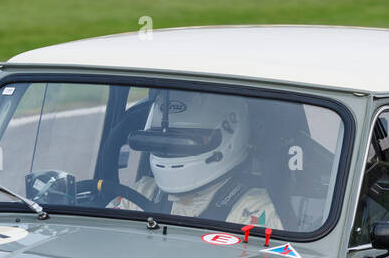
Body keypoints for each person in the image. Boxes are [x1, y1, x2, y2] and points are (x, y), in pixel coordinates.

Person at [107, 91, 283, 229]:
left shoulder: (258, 210)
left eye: (185, 143)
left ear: (231, 139)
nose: (171, 151)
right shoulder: (138, 194)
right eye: (161, 142)